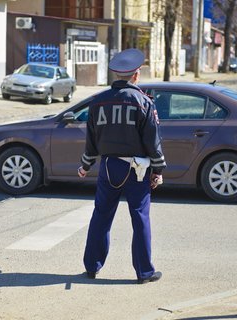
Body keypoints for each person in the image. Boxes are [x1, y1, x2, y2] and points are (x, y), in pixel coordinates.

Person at [77, 48, 166, 284]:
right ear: (136, 75)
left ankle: (92, 267)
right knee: (140, 218)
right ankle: (144, 273)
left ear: (115, 75)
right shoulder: (143, 102)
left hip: (108, 167)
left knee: (101, 216)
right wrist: (158, 170)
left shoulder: (97, 102)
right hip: (137, 170)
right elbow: (153, 141)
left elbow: (91, 141)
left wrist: (85, 165)